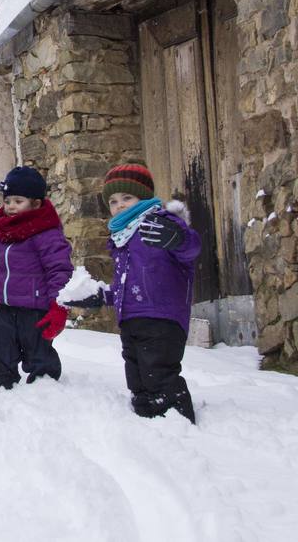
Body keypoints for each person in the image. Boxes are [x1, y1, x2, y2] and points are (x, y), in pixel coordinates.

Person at [68, 163, 201, 423]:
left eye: (127, 198)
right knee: (137, 374)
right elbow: (125, 283)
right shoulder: (121, 236)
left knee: (159, 372)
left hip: (162, 316)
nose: (120, 205)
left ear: (144, 197)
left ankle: (177, 420)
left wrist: (179, 239)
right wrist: (104, 296)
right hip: (131, 318)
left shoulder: (163, 224)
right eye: (114, 201)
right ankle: (145, 418)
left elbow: (191, 250)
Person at [0, 166, 75, 389]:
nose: (11, 206)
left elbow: (59, 270)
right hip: (5, 307)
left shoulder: (46, 233)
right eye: (7, 201)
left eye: (18, 201)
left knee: (39, 353)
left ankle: (45, 391)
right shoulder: (4, 232)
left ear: (35, 203)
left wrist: (58, 306)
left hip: (35, 309)